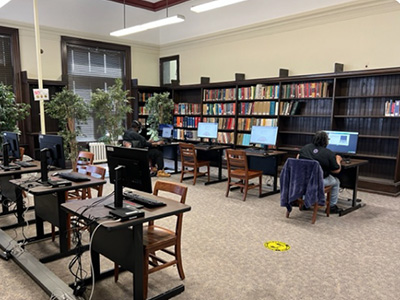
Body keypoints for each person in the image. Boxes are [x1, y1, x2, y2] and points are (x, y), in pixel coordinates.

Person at [298, 130, 342, 213]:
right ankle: (332, 206)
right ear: (326, 141)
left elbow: (298, 159)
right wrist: (338, 160)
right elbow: (336, 170)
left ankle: (305, 202)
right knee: (336, 181)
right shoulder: (329, 153)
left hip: (304, 179)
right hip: (318, 181)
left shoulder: (305, 148)